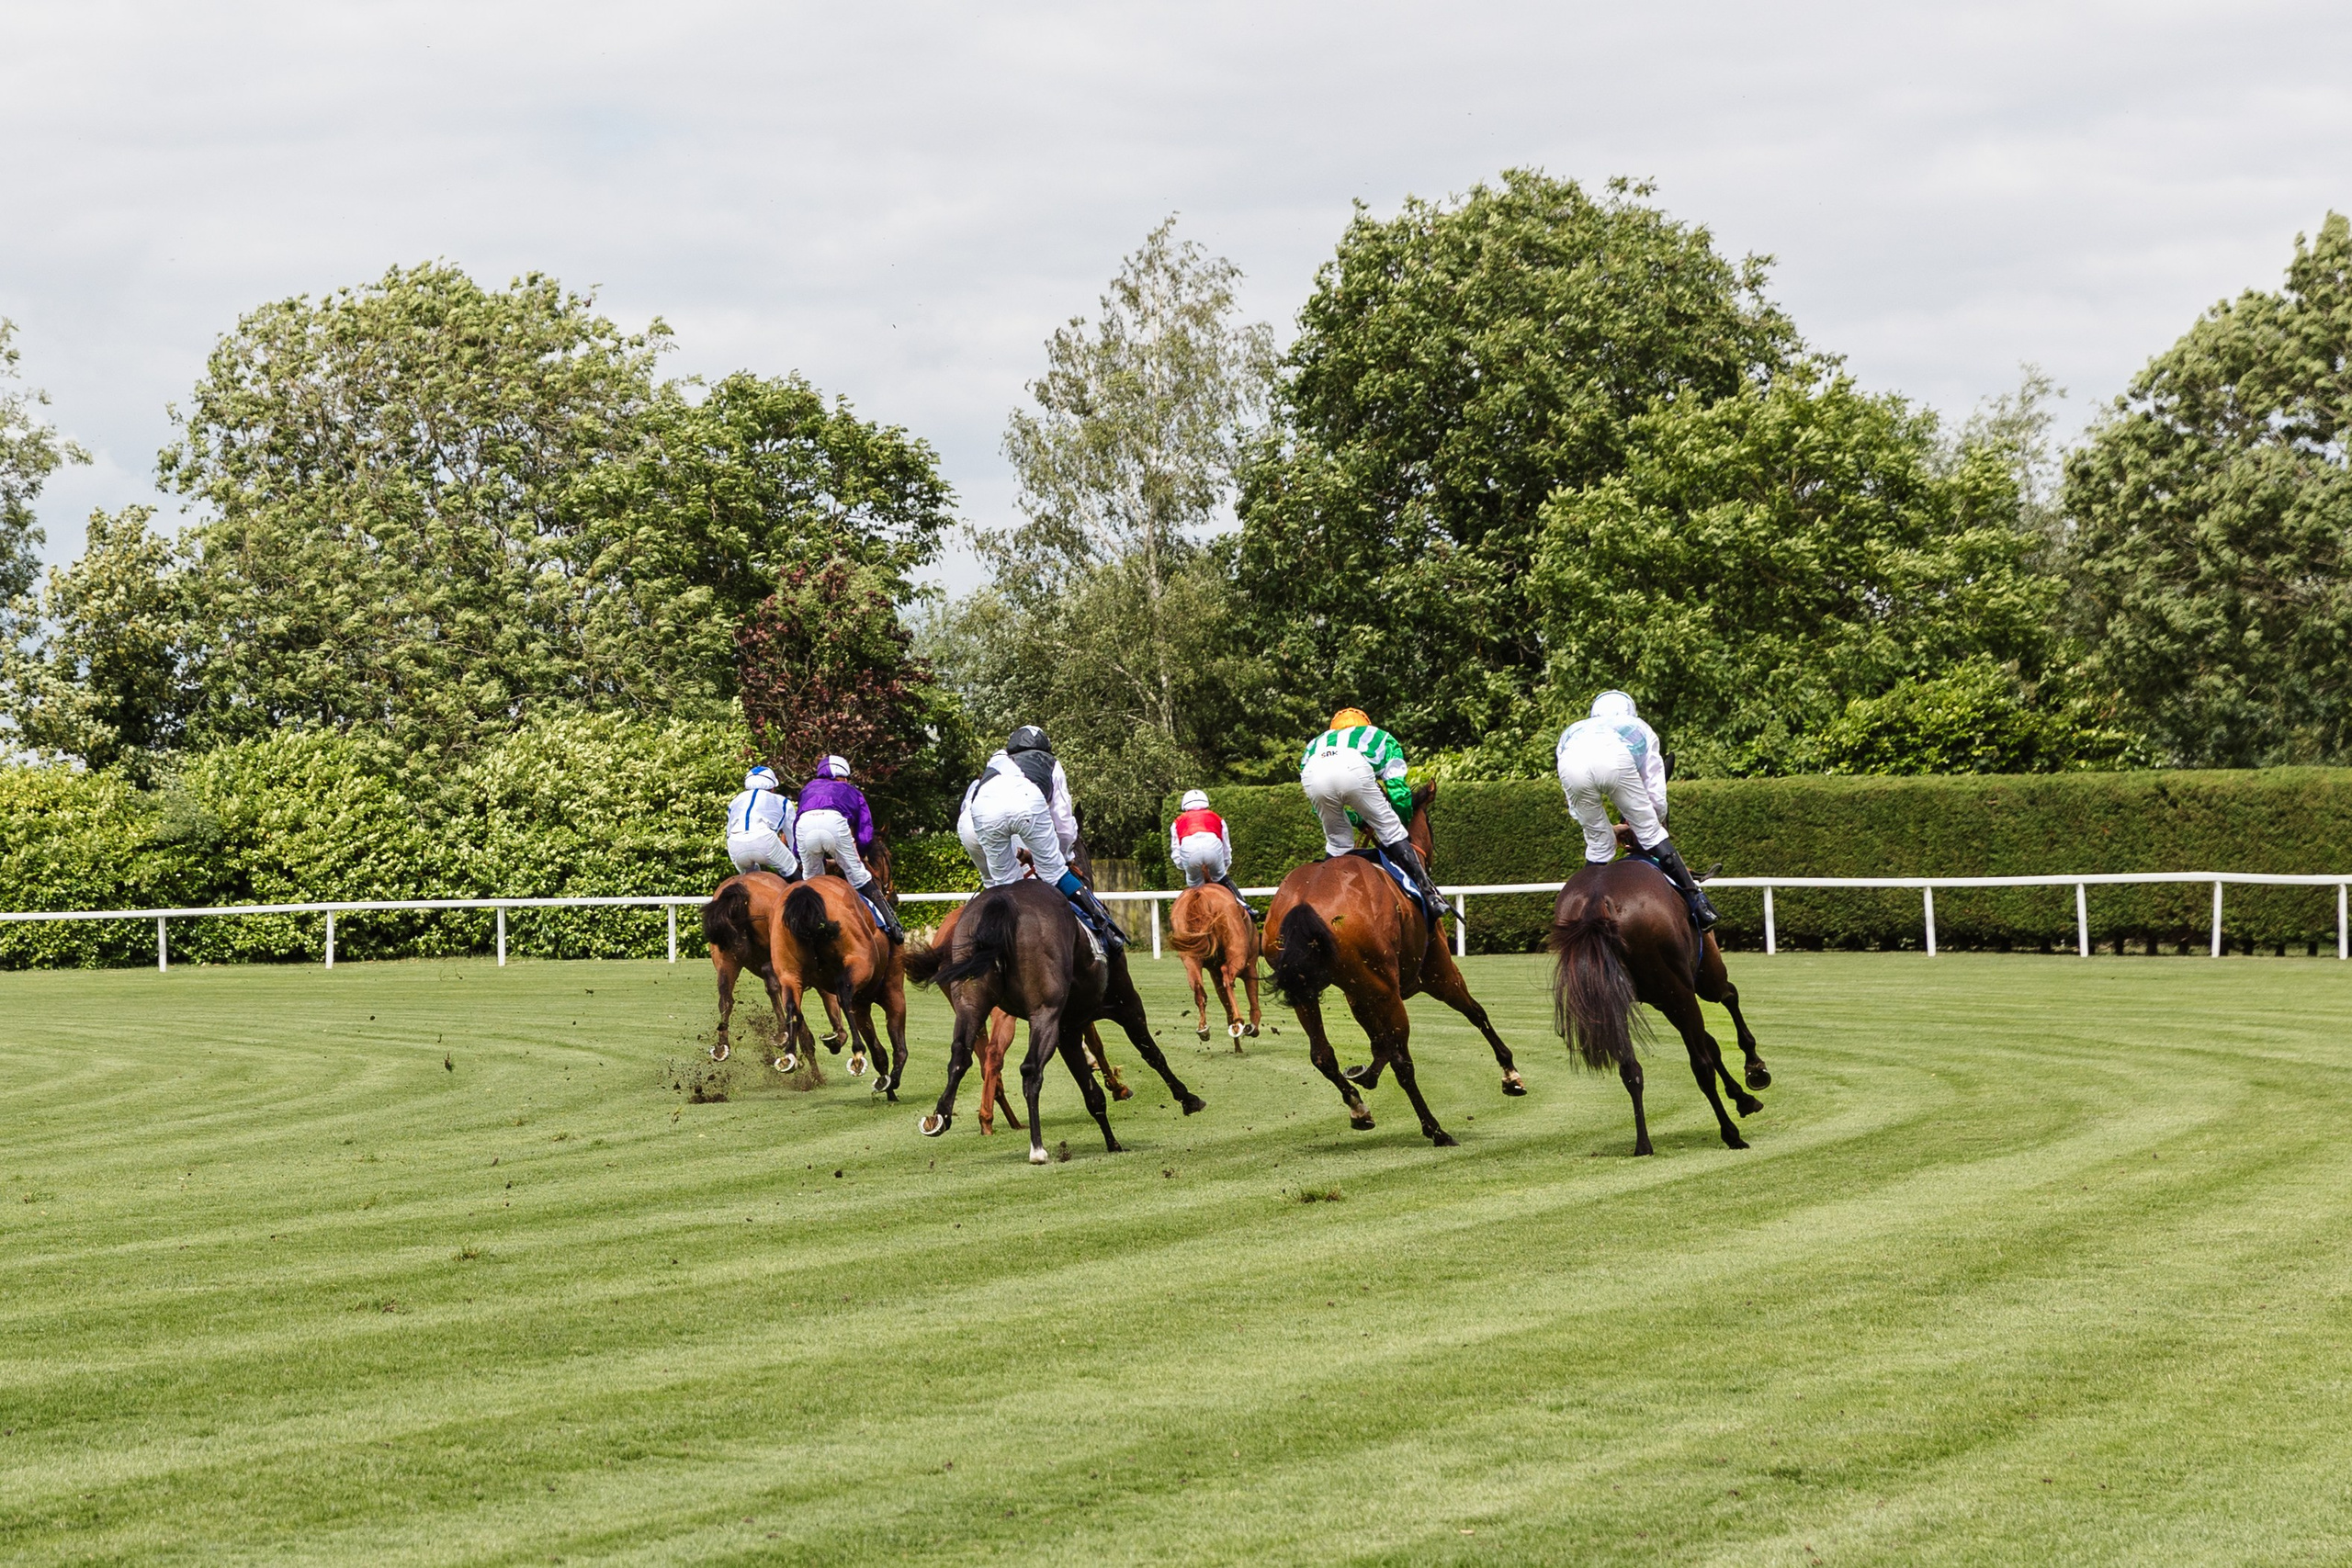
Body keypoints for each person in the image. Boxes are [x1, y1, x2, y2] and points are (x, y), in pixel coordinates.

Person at [1555, 690, 1718, 929]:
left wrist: (1606, 830)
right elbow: (1655, 791)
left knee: (1599, 845)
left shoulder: (1572, 730)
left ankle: (1582, 915)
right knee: (1652, 832)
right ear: (1630, 711)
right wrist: (1648, 825)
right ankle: (1699, 905)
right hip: (1615, 757)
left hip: (1571, 762)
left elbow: (1575, 799)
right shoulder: (1638, 726)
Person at [965, 725, 1126, 950]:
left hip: (981, 810)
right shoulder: (1051, 763)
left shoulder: (996, 761)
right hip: (1027, 802)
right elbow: (1064, 825)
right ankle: (1106, 927)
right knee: (1055, 873)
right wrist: (1065, 856)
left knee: (1005, 887)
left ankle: (990, 944)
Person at [1297, 707, 1445, 919]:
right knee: (1392, 831)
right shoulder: (1381, 737)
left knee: (1339, 843)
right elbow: (1399, 794)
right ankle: (1430, 896)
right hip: (1353, 767)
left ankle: (1321, 895)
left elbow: (1317, 808)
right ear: (1366, 725)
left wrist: (1358, 819)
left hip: (1313, 770)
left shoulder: (1315, 743)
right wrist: (1398, 825)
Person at [795, 754, 905, 942]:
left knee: (811, 882)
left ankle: (799, 930)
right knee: (859, 876)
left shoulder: (807, 789)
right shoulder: (851, 791)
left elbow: (798, 822)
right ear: (841, 776)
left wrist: (801, 855)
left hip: (804, 827)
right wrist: (860, 854)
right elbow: (865, 829)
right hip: (834, 824)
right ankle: (893, 926)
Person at [1168, 789, 1250, 913]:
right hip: (1213, 849)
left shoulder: (1177, 821)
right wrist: (1223, 868)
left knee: (1195, 887)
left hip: (1190, 853)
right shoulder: (1217, 818)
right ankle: (1246, 907)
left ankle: (1192, 914)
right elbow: (1226, 847)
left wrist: (1184, 866)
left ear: (1184, 805)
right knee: (1221, 877)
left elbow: (1176, 850)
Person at [724, 766, 799, 879]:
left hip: (735, 844)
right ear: (772, 787)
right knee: (791, 868)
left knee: (749, 879)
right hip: (765, 840)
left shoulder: (735, 800)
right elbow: (792, 835)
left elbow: (729, 831)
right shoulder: (783, 801)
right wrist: (798, 859)